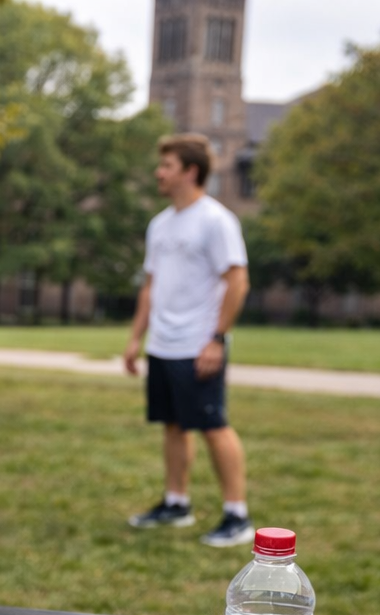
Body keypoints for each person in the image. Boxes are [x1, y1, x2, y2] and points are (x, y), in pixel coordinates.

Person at [124, 134, 253, 548]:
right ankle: (176, 503)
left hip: (198, 345)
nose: (158, 173)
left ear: (190, 171)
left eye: (166, 166)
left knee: (213, 426)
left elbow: (238, 280)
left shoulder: (216, 220)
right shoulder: (159, 224)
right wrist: (135, 338)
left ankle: (237, 514)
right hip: (162, 344)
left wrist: (217, 339)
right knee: (173, 425)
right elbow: (150, 286)